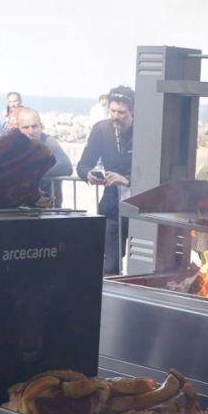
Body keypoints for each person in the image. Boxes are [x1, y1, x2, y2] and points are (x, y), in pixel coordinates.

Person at [77, 86, 134, 275]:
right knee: (109, 268)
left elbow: (154, 170)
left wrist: (127, 180)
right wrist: (89, 174)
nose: (116, 116)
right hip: (112, 208)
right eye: (112, 111)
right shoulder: (101, 129)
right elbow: (83, 164)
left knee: (139, 269)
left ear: (132, 111)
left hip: (140, 209)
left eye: (121, 113)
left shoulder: (143, 131)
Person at [15, 107, 73, 207]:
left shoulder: (49, 142)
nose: (31, 131)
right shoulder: (12, 146)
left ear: (41, 126)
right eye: (25, 127)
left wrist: (34, 173)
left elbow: (66, 166)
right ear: (18, 128)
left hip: (49, 208)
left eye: (34, 126)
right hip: (21, 208)